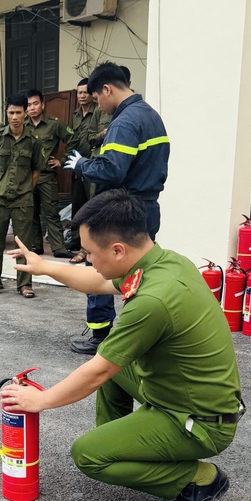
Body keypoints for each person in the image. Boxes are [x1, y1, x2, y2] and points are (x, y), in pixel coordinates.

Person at [0, 190, 243, 501]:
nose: (87, 260)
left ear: (117, 250)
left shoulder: (153, 300)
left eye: (89, 252)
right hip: (182, 395)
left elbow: (97, 372)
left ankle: (199, 479)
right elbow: (94, 281)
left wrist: (39, 400)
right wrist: (44, 267)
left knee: (88, 455)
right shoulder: (165, 262)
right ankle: (130, 447)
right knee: (112, 356)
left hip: (199, 422)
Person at [64, 62, 169, 354]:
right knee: (141, 270)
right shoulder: (150, 116)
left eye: (98, 98)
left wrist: (83, 164)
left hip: (122, 209)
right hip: (147, 206)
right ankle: (145, 334)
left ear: (107, 89)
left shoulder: (125, 122)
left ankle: (100, 334)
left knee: (100, 266)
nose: (99, 105)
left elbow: (112, 170)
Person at [0, 94, 42, 298]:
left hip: (22, 199)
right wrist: (1, 184)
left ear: (25, 113)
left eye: (18, 112)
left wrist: (24, 188)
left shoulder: (33, 141)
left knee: (24, 244)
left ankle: (25, 284)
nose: (14, 117)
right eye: (11, 113)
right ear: (6, 114)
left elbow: (36, 171)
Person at [65, 78, 111, 261]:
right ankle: (78, 244)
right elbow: (76, 140)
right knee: (79, 205)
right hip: (81, 165)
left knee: (94, 207)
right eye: (79, 93)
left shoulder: (100, 110)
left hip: (98, 166)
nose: (83, 96)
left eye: (86, 92)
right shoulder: (75, 115)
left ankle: (89, 249)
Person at [25, 88, 74, 259]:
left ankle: (58, 247)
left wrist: (63, 160)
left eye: (35, 104)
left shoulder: (54, 124)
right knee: (31, 213)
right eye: (29, 105)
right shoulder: (23, 127)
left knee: (51, 213)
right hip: (28, 178)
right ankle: (36, 245)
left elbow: (73, 139)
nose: (32, 108)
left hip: (46, 177)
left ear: (43, 105)